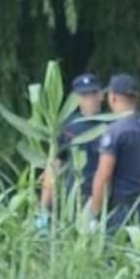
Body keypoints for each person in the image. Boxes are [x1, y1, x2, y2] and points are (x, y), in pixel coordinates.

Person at [89, 73, 140, 235]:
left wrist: (95, 214)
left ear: (113, 97)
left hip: (119, 210)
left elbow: (104, 175)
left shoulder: (115, 131)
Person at [37, 72, 104, 231]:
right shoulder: (67, 126)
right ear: (76, 98)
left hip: (101, 199)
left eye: (93, 93)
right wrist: (44, 209)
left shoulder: (110, 125)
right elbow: (54, 165)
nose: (90, 99)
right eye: (85, 95)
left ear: (101, 95)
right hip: (71, 199)